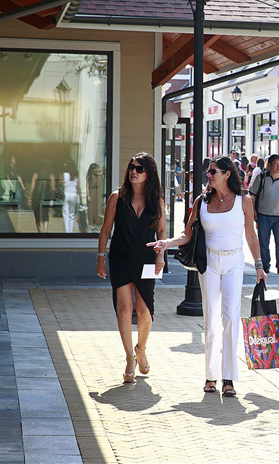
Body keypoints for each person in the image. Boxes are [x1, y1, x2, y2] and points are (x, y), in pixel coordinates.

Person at [149, 156, 266, 397]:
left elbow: (251, 236)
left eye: (213, 172)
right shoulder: (201, 202)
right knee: (212, 320)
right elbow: (187, 234)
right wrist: (165, 243)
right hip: (209, 262)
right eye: (209, 172)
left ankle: (229, 379)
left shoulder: (244, 201)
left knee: (231, 318)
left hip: (234, 261)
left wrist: (259, 265)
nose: (209, 175)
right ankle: (211, 376)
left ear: (227, 174)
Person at [96, 153, 166, 384]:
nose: (133, 171)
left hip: (146, 259)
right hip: (120, 258)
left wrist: (160, 256)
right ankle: (128, 358)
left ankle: (141, 349)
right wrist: (100, 256)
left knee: (145, 312)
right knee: (124, 309)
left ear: (149, 174)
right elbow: (106, 230)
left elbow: (162, 232)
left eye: (139, 168)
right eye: (131, 167)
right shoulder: (118, 197)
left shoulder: (156, 200)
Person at [249, 154, 279, 274]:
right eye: (276, 164)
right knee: (263, 241)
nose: (278, 166)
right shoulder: (261, 177)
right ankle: (265, 265)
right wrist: (253, 211)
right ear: (270, 165)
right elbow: (252, 195)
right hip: (263, 215)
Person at [29, 157, 55, 233]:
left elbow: (32, 187)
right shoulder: (51, 176)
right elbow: (53, 188)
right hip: (46, 197)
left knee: (37, 216)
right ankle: (45, 231)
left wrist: (29, 197)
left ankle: (39, 231)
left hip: (37, 197)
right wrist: (52, 199)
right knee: (45, 215)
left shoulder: (35, 175)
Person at [61, 160, 81, 233]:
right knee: (72, 214)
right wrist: (81, 197)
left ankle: (67, 231)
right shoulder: (76, 175)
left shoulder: (64, 174)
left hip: (66, 194)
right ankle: (71, 231)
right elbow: (78, 187)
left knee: (66, 214)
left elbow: (60, 183)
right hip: (74, 195)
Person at [86, 163, 104, 228]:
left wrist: (100, 173)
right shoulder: (90, 176)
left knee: (97, 207)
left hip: (97, 192)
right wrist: (88, 195)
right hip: (91, 192)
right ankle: (91, 222)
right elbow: (87, 186)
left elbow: (102, 179)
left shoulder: (98, 175)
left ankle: (96, 221)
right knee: (91, 208)